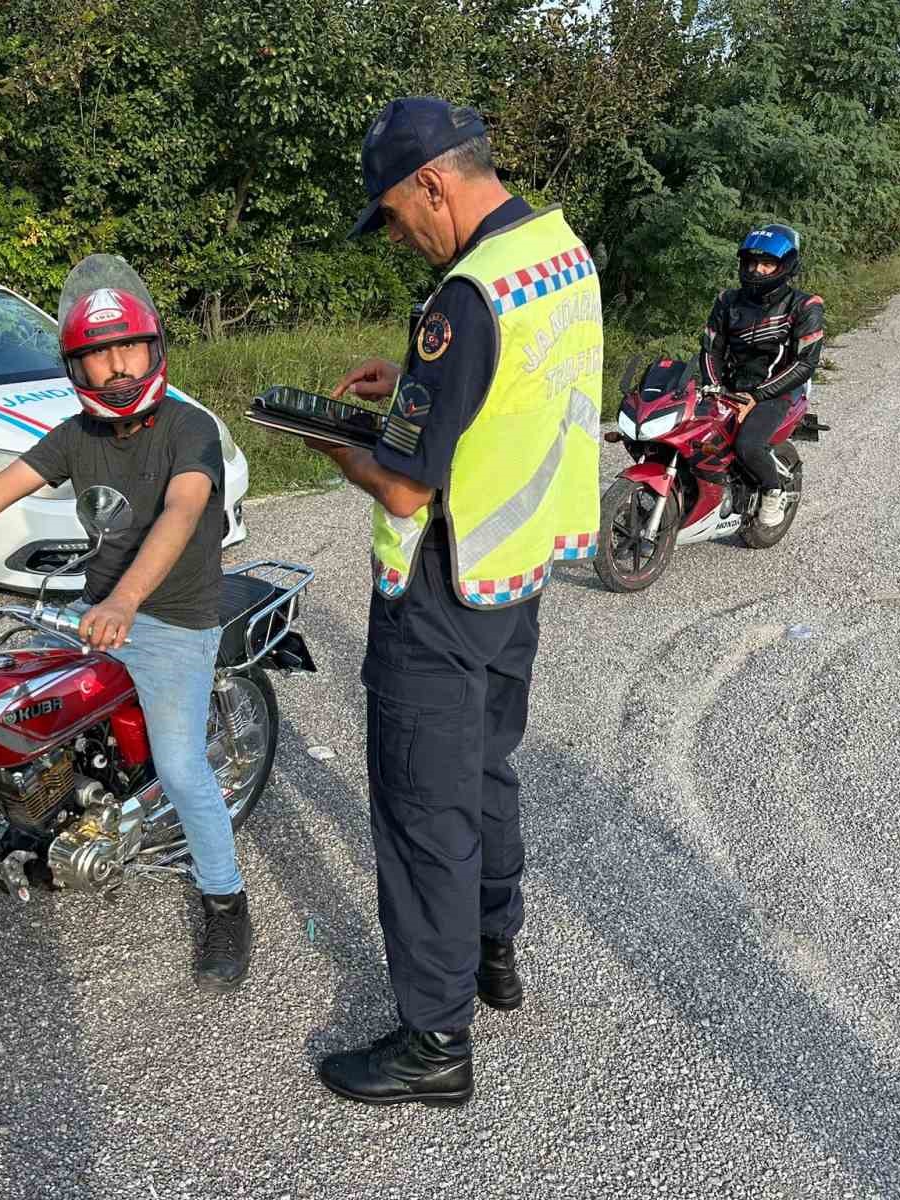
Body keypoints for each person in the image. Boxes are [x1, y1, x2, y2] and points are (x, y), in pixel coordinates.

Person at [0, 256, 252, 993]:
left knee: (185, 769)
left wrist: (125, 600)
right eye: (99, 358)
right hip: (96, 610)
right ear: (77, 369)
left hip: (173, 617)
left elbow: (185, 511)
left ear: (154, 348)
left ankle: (226, 902)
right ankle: (7, 824)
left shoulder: (190, 430)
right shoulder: (73, 436)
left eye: (129, 350)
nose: (118, 371)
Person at [305, 97, 602, 1107]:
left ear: (432, 183)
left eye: (393, 214)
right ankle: (491, 950)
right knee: (485, 771)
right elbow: (520, 390)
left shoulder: (462, 299)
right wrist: (414, 385)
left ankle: (434, 1041)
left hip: (438, 585)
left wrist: (336, 444)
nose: (398, 236)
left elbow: (402, 485)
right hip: (516, 574)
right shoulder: (560, 254)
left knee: (422, 811)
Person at [697, 223, 825, 527]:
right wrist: (713, 385)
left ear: (786, 266)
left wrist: (756, 396)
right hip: (728, 386)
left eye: (767, 264)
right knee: (687, 433)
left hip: (778, 391)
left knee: (748, 446)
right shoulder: (727, 301)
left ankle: (773, 490)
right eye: (752, 262)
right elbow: (710, 349)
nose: (757, 270)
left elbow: (805, 364)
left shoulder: (805, 305)